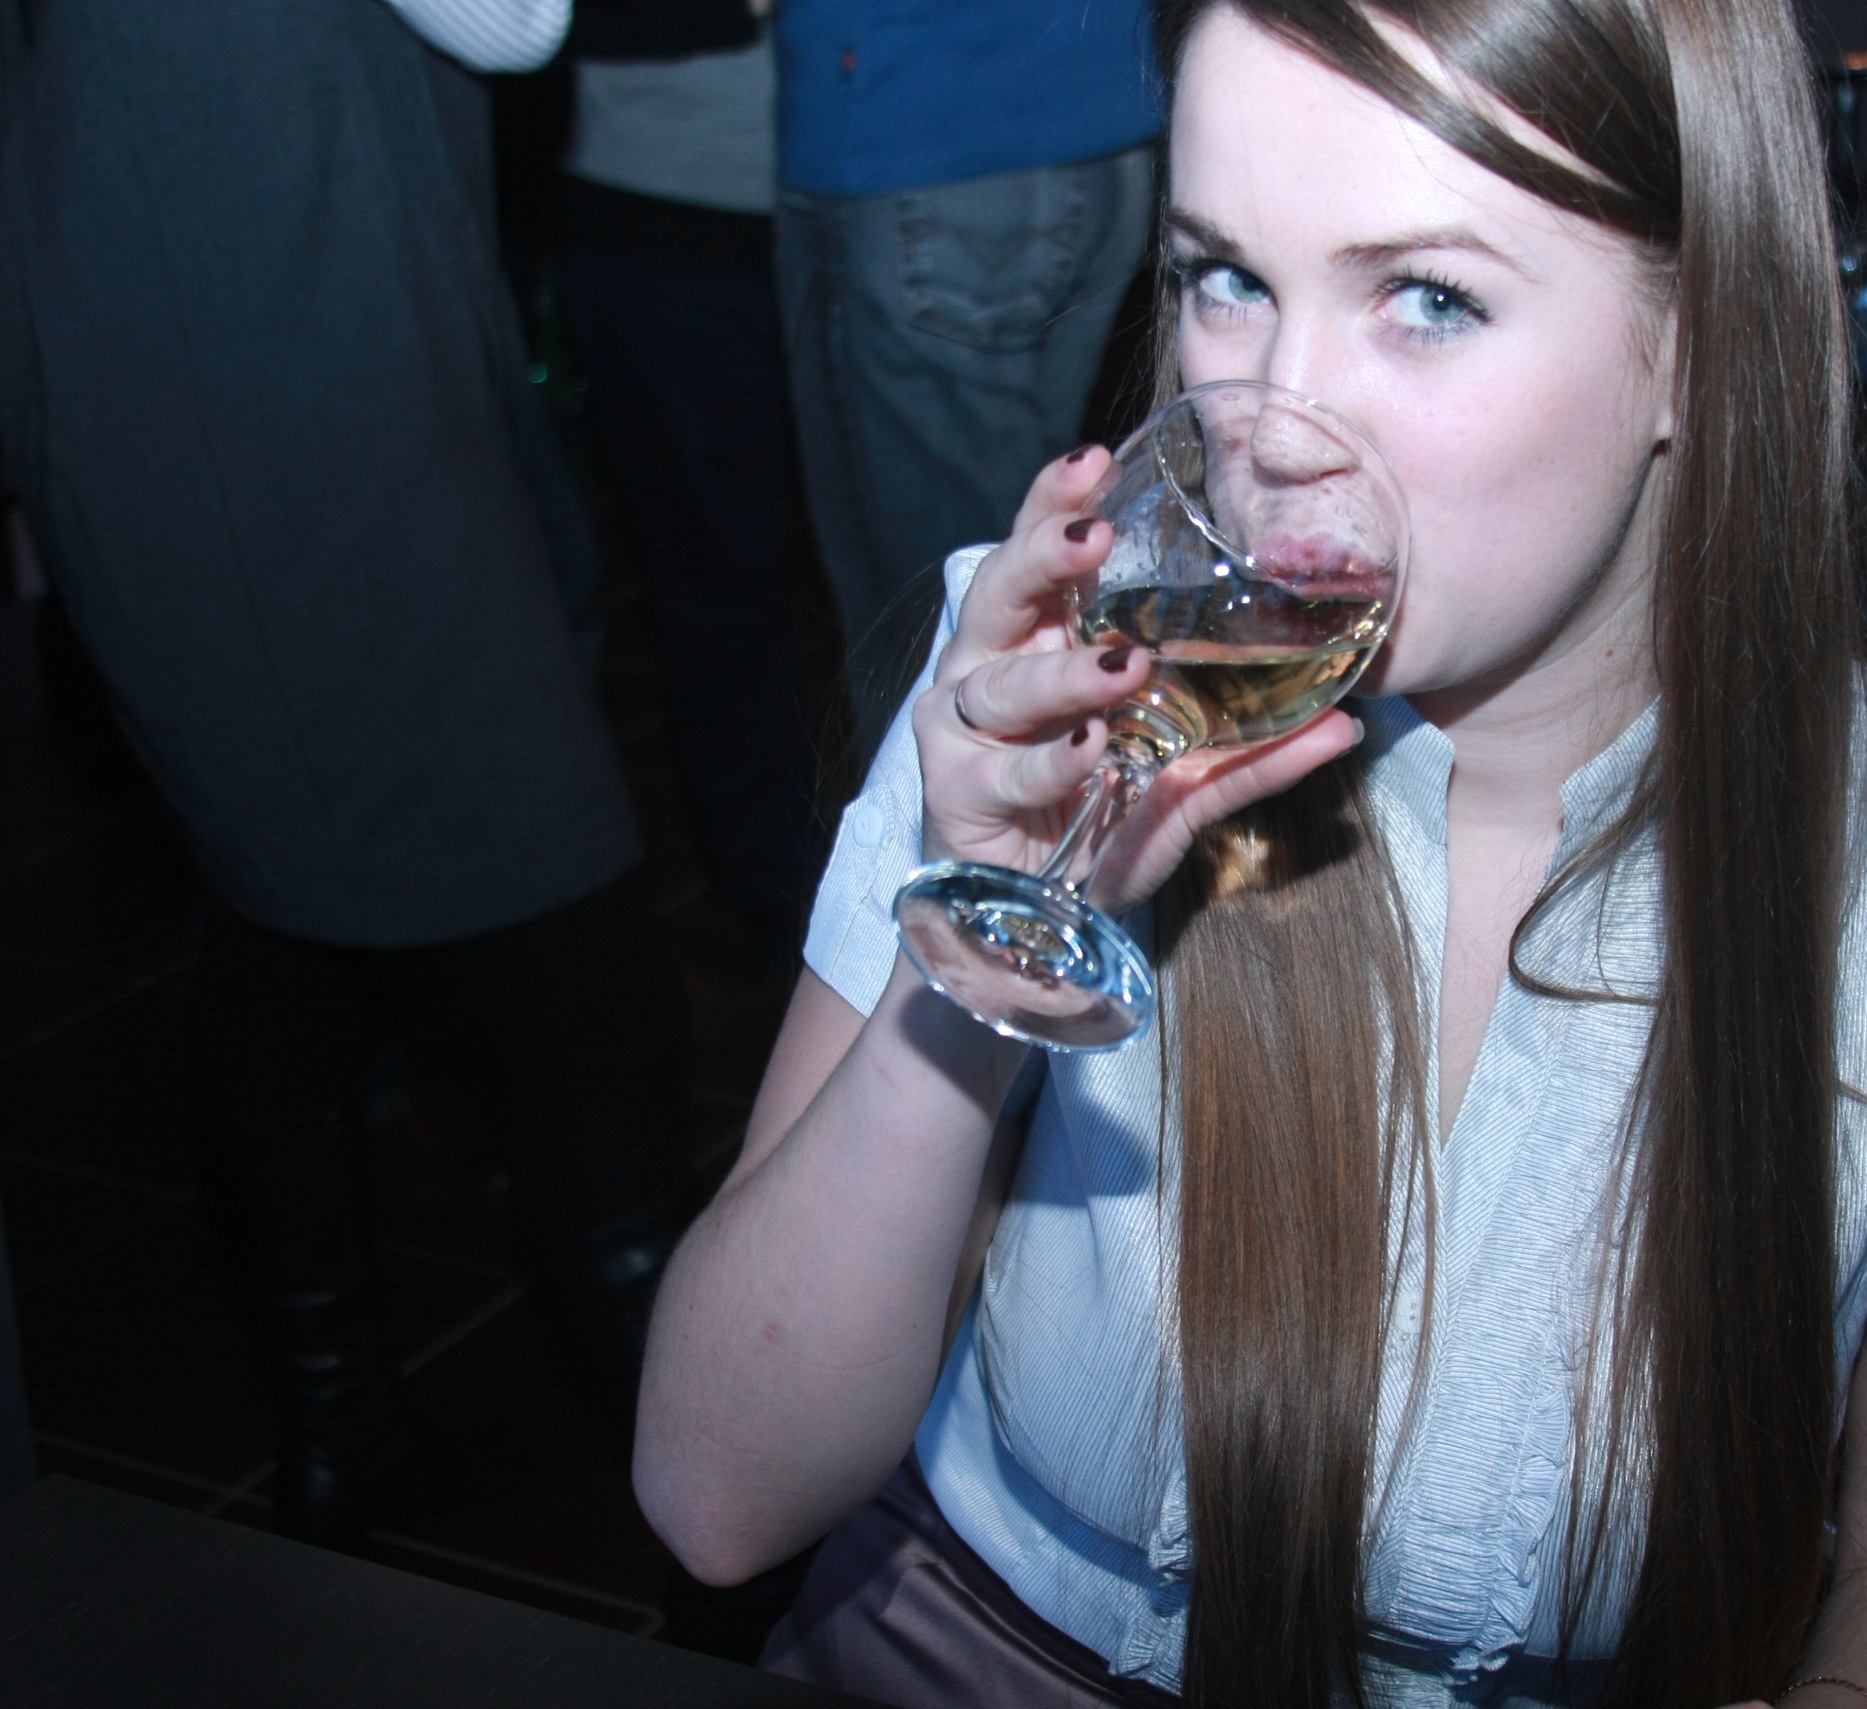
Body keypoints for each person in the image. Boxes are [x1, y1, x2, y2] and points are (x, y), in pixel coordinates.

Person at [634, 0, 1867, 1704]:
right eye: (1226, 277)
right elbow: (718, 1494)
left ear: (1699, 340)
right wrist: (984, 964)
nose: (1274, 422)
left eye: (1427, 298)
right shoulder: (1053, 686)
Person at [0, 0, 698, 1543]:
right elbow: (514, 19)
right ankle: (742, 1551)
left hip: (141, 328)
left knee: (277, 920)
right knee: (580, 989)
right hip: (289, 362)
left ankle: (341, 1440)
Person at [770, 0, 1162, 758]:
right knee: (1020, 573)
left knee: (929, 631)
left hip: (918, 121)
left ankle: (976, 833)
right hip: (1101, 107)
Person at [557, 0, 829, 982]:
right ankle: (782, 919)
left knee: (930, 582)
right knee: (718, 596)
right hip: (664, 207)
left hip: (899, 189)